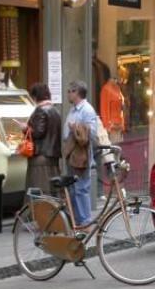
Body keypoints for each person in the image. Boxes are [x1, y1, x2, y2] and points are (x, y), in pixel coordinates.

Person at [62, 81, 102, 228]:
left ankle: (85, 222)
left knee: (81, 188)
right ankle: (78, 221)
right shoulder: (74, 109)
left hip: (81, 155)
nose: (68, 94)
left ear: (76, 93)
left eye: (69, 91)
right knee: (74, 189)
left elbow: (91, 134)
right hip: (72, 154)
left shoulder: (87, 110)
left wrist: (76, 129)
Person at [24, 83, 62, 195]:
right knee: (52, 190)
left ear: (35, 96)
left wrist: (25, 128)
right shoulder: (55, 111)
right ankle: (53, 211)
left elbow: (38, 132)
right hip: (53, 156)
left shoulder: (40, 110)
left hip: (40, 157)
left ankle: (40, 212)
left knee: (39, 189)